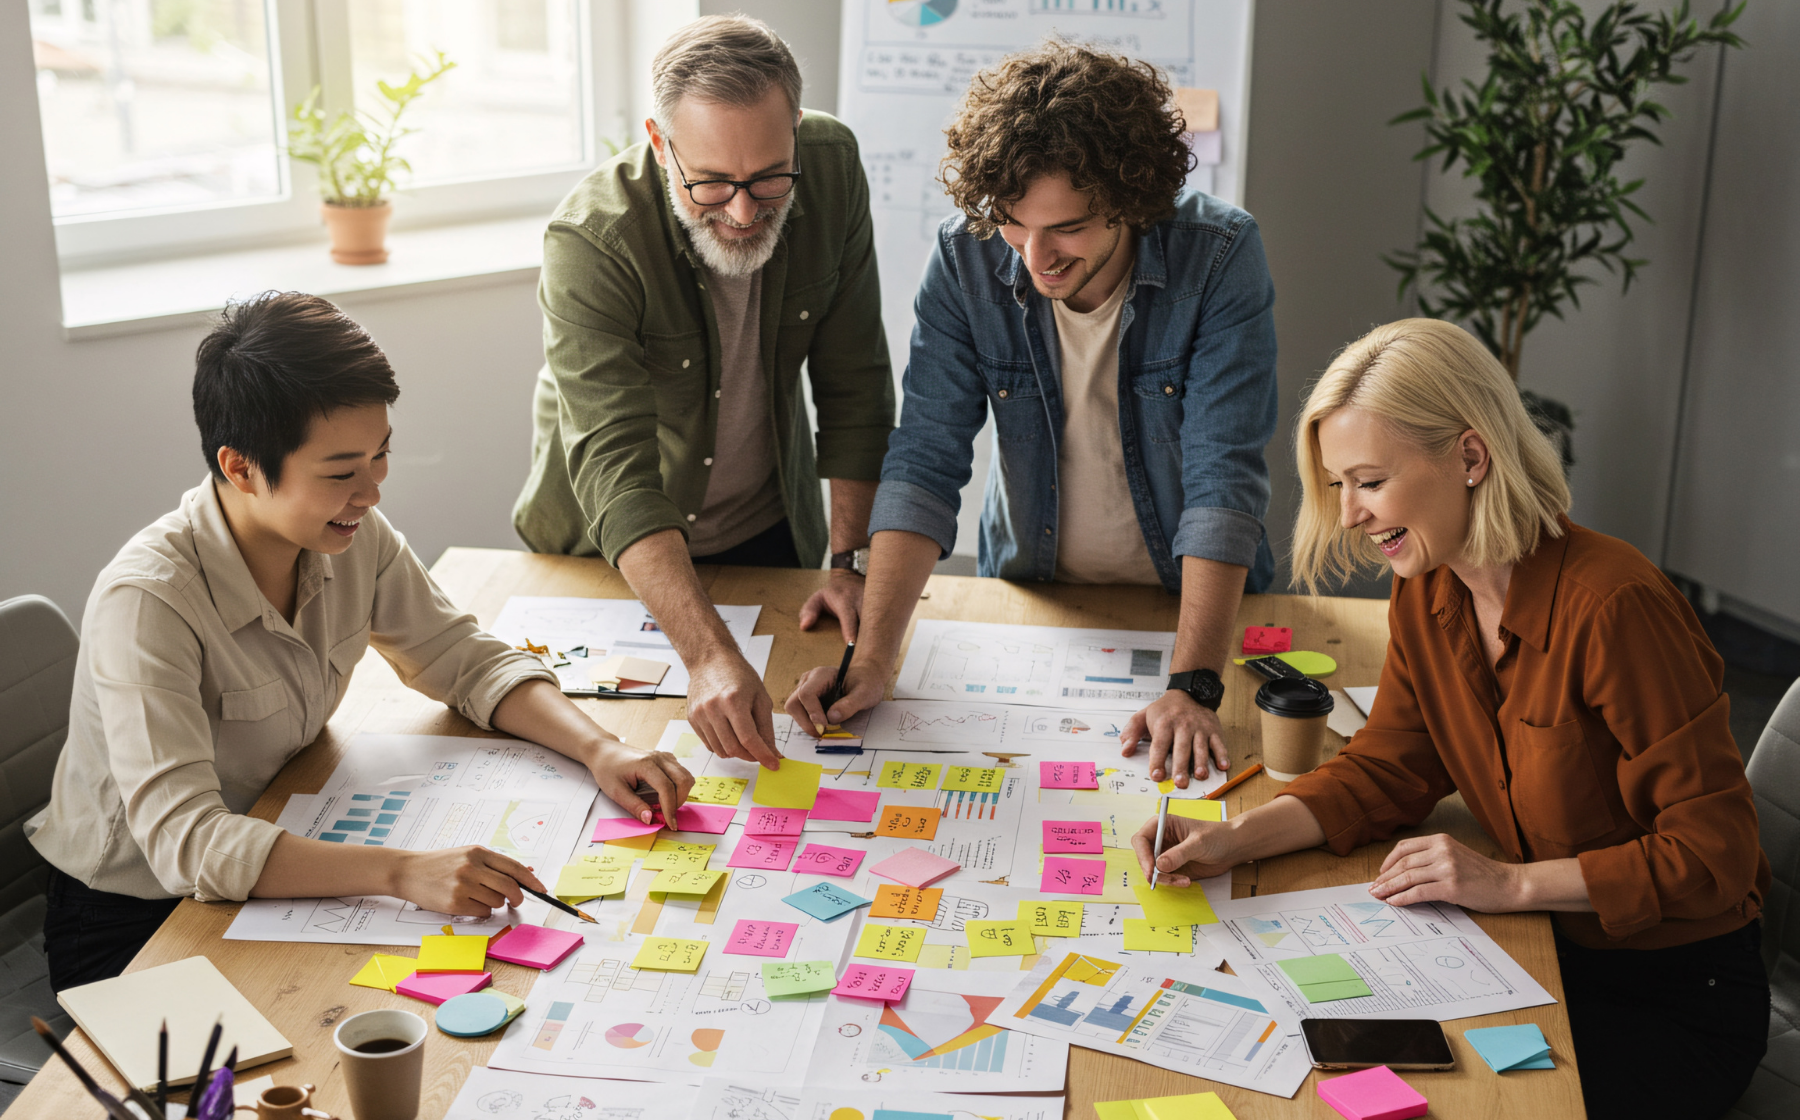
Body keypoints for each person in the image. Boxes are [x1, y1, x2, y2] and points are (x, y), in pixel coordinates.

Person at [1134, 318, 1770, 1120]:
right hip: (1543, 950)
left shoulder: (1615, 607)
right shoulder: (1429, 586)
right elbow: (1392, 766)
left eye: (1369, 480)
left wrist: (1509, 883)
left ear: (1470, 458)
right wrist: (1230, 840)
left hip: (1673, 997)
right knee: (1313, 1069)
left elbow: (1716, 853)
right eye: (1338, 486)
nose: (1352, 513)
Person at [27, 293, 694, 992]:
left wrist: (601, 750)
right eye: (341, 472)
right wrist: (405, 870)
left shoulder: (347, 534)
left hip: (281, 837)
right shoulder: (149, 601)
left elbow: (462, 657)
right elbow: (187, 842)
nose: (371, 492)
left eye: (381, 456)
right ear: (240, 467)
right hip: (134, 921)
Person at [786, 42, 1278, 788]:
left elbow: (1223, 480)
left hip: (1194, 610)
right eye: (1016, 223)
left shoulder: (1219, 254)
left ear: (1132, 198)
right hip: (1035, 594)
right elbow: (925, 457)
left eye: (1068, 228)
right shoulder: (966, 257)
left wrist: (1193, 686)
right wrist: (874, 658)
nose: (1035, 257)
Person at [513, 15, 894, 773]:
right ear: (661, 143)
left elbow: (855, 381)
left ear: (795, 131)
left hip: (771, 531)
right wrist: (709, 653)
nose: (746, 212)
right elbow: (614, 471)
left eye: (769, 179)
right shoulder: (591, 240)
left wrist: (848, 560)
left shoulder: (834, 162)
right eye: (713, 183)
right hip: (609, 559)